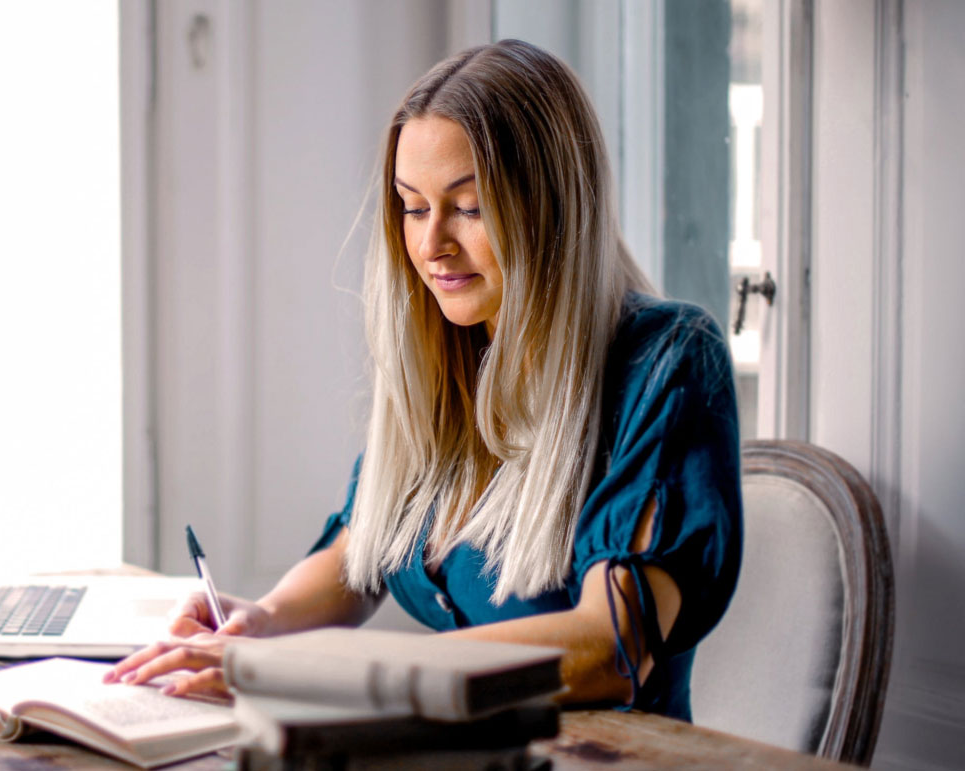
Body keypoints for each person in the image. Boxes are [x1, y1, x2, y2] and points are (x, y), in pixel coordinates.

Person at [104, 39, 742, 721]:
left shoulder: (666, 363)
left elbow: (608, 648)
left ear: (554, 211)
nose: (431, 244)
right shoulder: (452, 353)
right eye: (413, 206)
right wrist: (262, 620)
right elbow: (361, 550)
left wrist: (317, 670)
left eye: (468, 207)